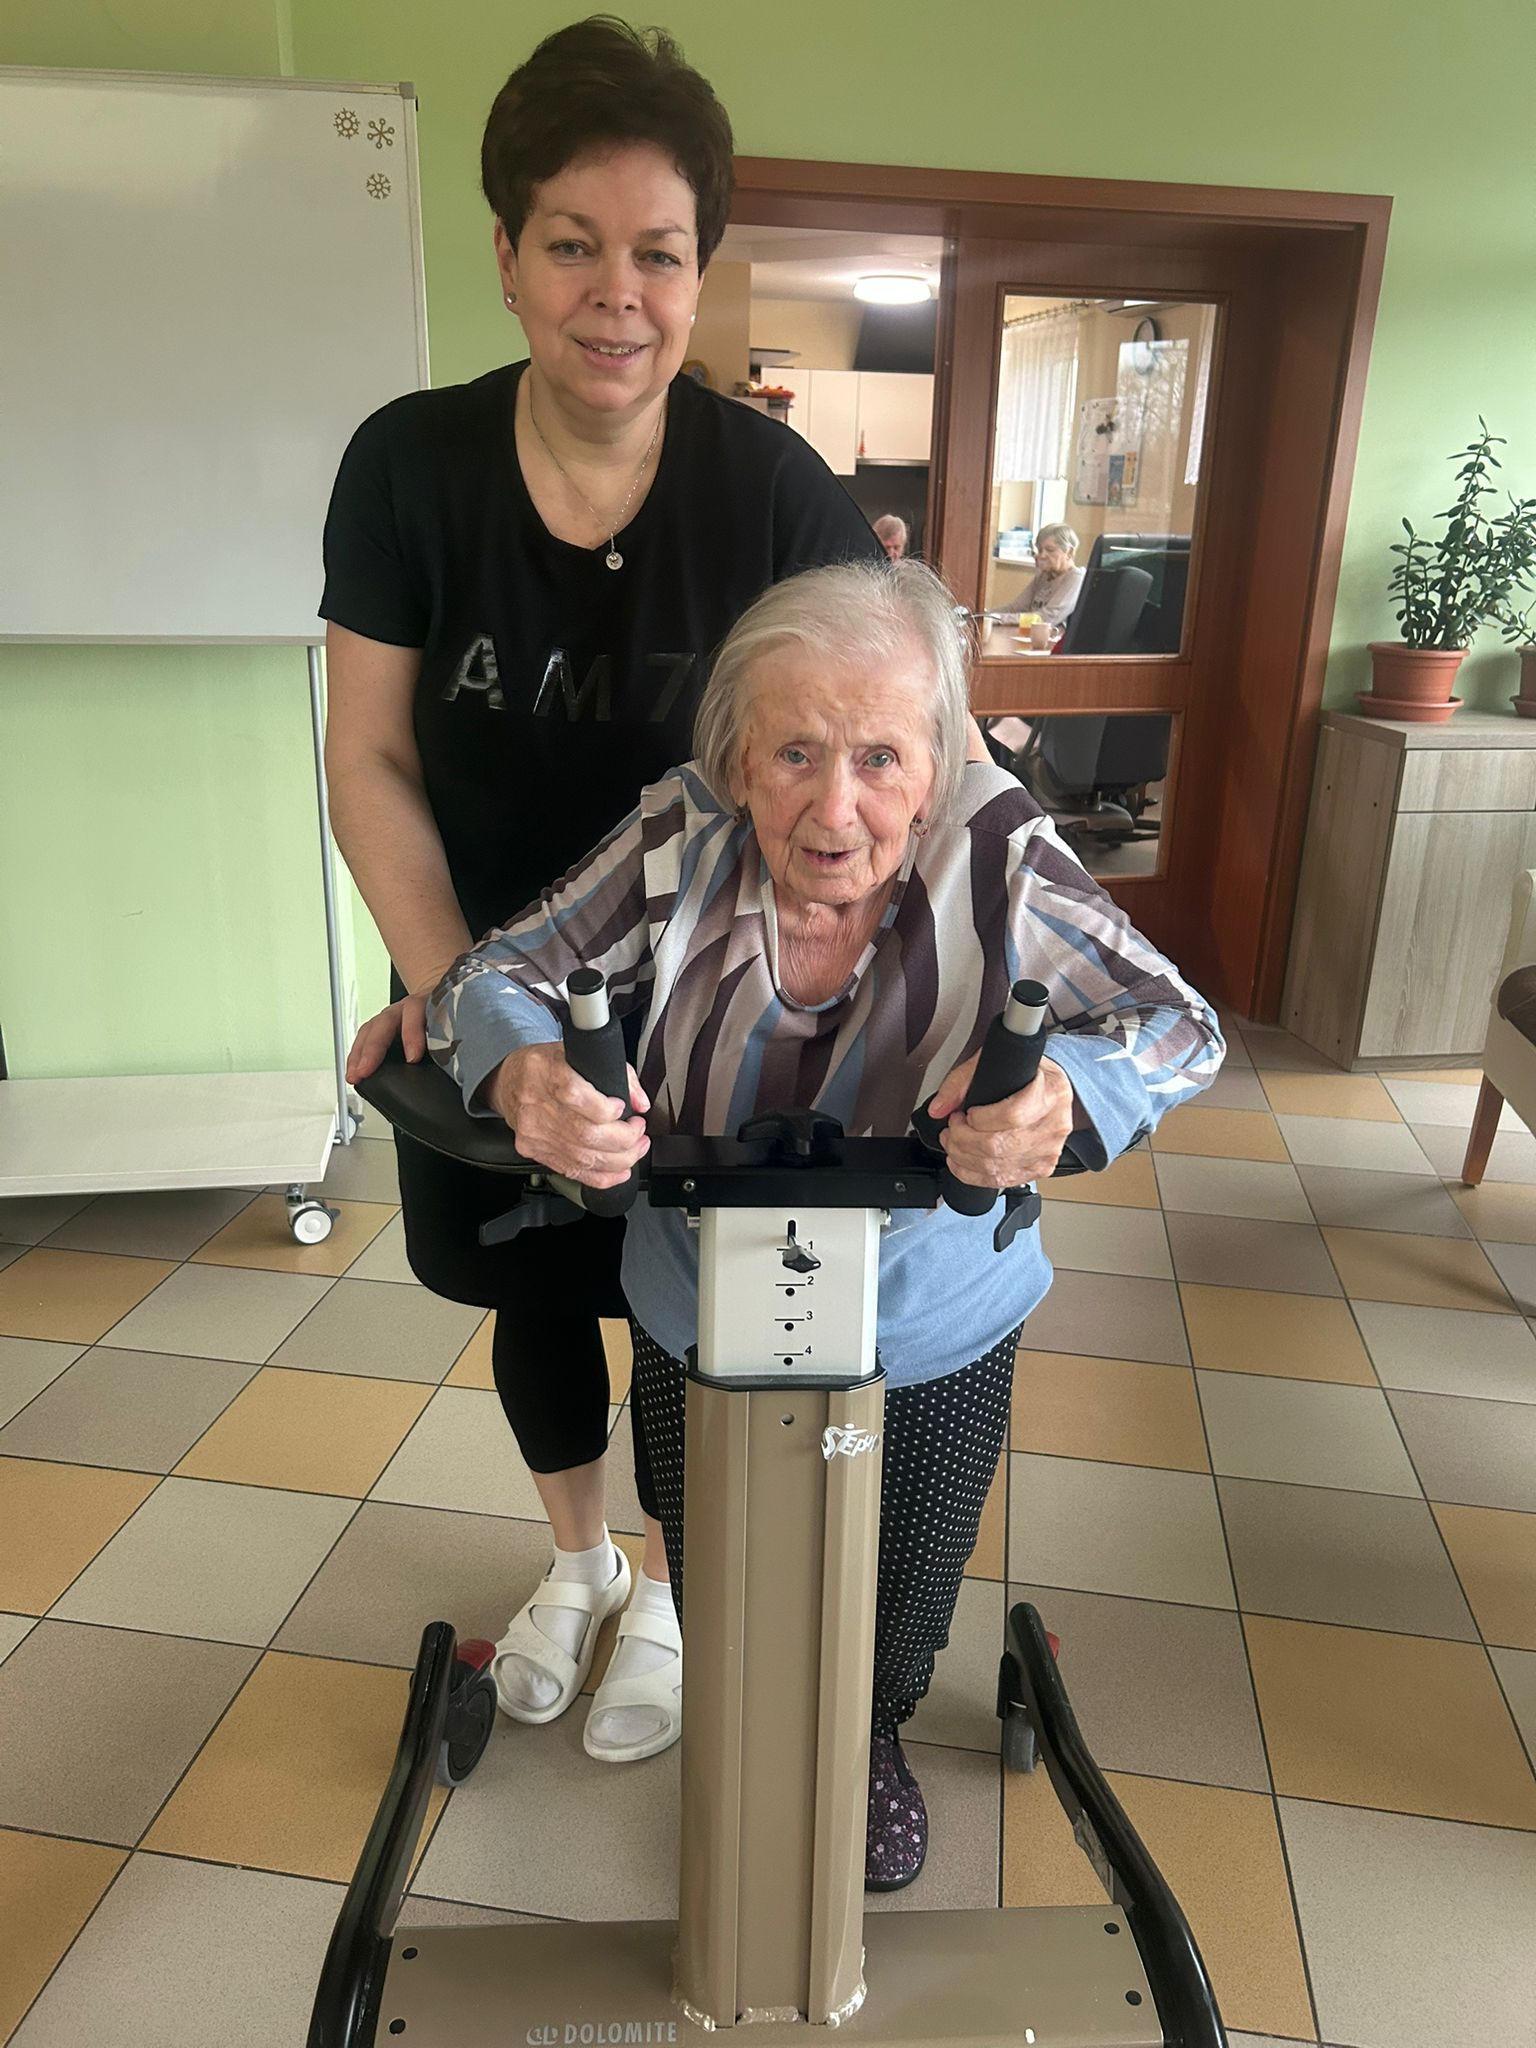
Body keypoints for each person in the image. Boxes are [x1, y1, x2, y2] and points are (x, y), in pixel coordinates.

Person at [426, 560, 1224, 1888]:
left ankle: (868, 1732)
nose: (836, 807)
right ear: (738, 757)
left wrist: (1069, 1096)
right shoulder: (680, 833)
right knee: (715, 1552)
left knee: (902, 1569)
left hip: (933, 1309)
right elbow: (496, 972)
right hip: (701, 1298)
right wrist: (521, 1071)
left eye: (879, 757)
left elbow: (1179, 1027)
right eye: (795, 752)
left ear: (937, 764)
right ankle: (743, 1704)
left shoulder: (1001, 849)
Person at [319, 16, 884, 1768]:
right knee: (537, 1291)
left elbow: (872, 762)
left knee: (689, 1304)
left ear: (700, 272)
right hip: (484, 975)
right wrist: (451, 994)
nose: (616, 295)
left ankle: (679, 1592)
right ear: (506, 254)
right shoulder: (408, 467)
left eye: (658, 253)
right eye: (573, 244)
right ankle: (581, 1565)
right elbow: (370, 757)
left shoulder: (775, 495)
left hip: (719, 1008)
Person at [1003, 521, 1084, 629]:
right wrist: (986, 615)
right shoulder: (1043, 575)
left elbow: (1047, 617)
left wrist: (1002, 619)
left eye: (1050, 550)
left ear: (1069, 553)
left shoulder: (1075, 577)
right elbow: (1015, 608)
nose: (1042, 555)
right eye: (1040, 550)